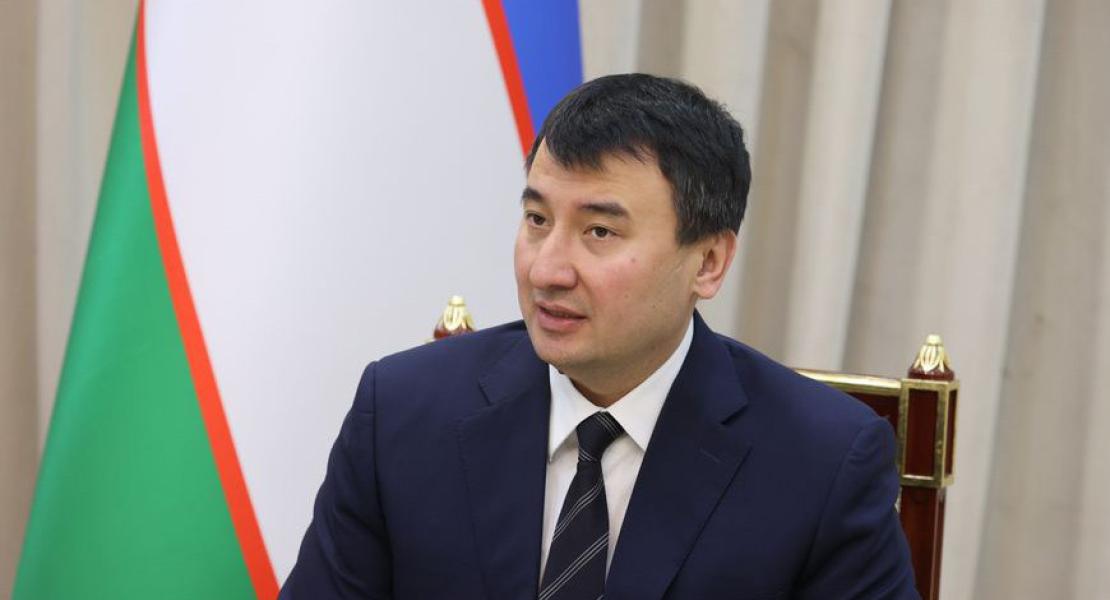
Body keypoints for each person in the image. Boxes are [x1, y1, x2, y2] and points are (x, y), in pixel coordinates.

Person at [281, 73, 917, 599]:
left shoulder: (822, 462)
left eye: (600, 232)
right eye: (537, 219)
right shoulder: (401, 413)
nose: (547, 271)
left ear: (708, 262)